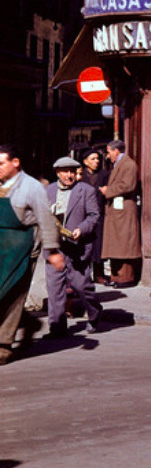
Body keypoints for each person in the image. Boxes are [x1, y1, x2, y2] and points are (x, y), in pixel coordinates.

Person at [0, 143, 65, 365]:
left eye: (1, 164)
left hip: (21, 245)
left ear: (15, 163)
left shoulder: (32, 187)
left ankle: (3, 344)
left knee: (14, 293)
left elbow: (46, 219)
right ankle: (28, 322)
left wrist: (52, 250)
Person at [45, 156, 101, 338]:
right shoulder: (48, 191)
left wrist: (81, 229)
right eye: (65, 172)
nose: (69, 175)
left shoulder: (86, 190)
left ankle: (94, 311)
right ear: (57, 173)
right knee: (55, 289)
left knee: (81, 286)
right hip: (55, 247)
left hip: (78, 247)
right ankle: (57, 327)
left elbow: (94, 216)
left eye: (72, 171)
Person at [99, 140, 140, 288]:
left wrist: (108, 190)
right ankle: (116, 277)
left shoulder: (129, 165)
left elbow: (128, 185)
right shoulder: (119, 164)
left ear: (116, 151)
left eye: (109, 152)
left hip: (124, 211)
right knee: (116, 244)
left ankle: (126, 278)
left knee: (124, 245)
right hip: (117, 211)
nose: (107, 156)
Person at [81, 147, 110, 284]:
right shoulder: (80, 175)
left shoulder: (104, 174)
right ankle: (84, 274)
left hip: (100, 213)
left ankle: (99, 274)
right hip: (84, 214)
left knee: (98, 244)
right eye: (93, 159)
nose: (96, 161)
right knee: (85, 244)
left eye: (98, 158)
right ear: (85, 161)